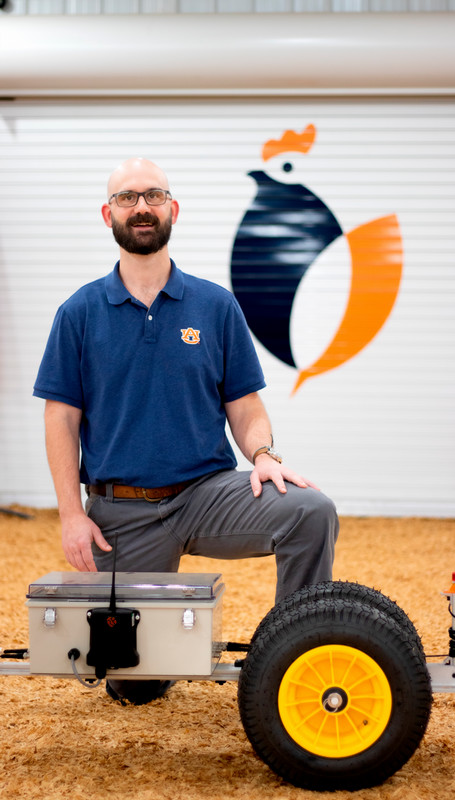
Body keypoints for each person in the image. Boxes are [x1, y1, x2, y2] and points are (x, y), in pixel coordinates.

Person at [33, 157, 339, 705]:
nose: (142, 206)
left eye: (154, 195)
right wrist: (72, 515)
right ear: (109, 215)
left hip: (206, 493)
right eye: (128, 198)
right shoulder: (78, 312)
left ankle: (295, 655)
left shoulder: (215, 305)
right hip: (122, 511)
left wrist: (264, 454)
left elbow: (244, 404)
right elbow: (61, 418)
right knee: (136, 686)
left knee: (310, 512)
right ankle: (151, 666)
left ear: (174, 209)